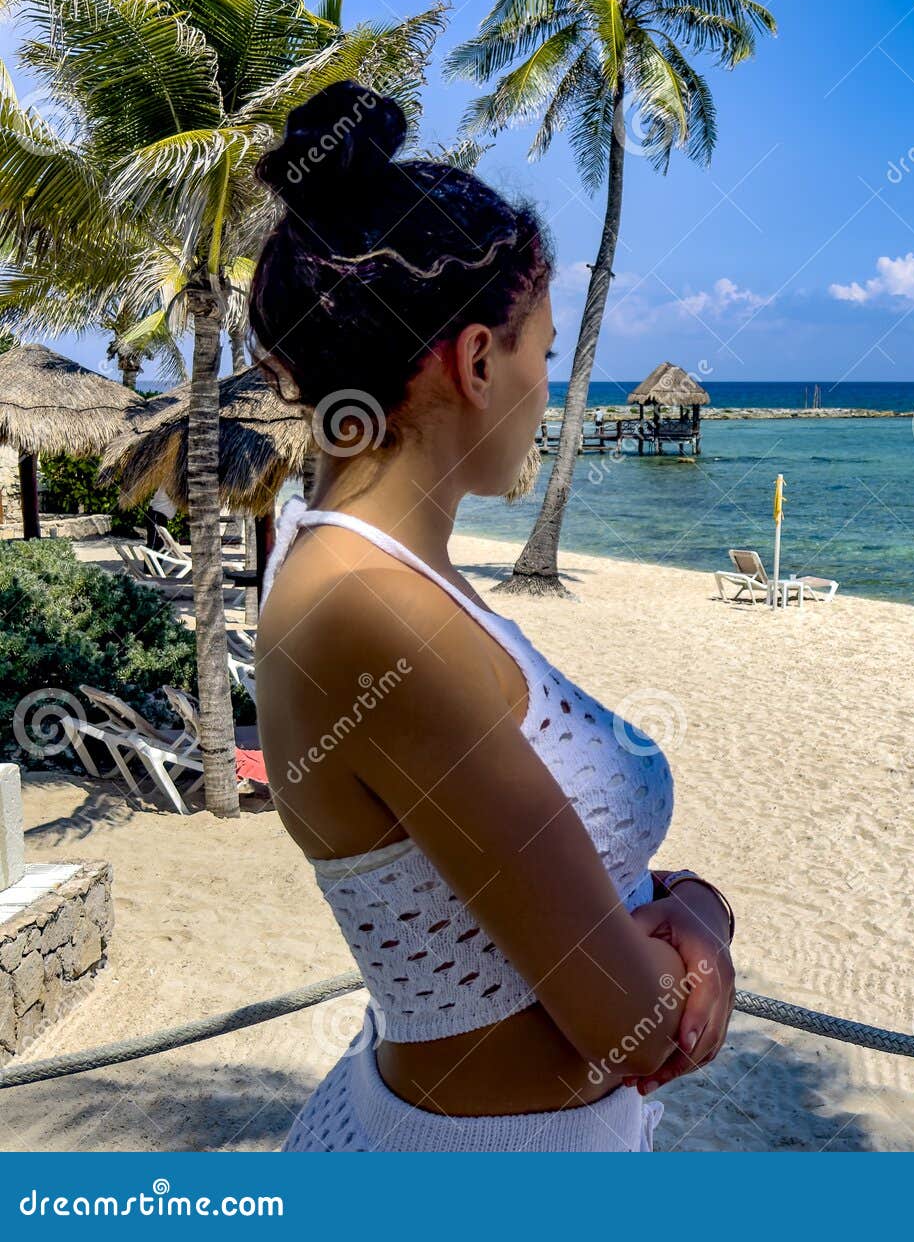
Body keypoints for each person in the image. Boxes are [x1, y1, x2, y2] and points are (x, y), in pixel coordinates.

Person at [251, 82, 735, 1152]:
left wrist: (672, 908)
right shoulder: (375, 618)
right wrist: (702, 916)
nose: (547, 393)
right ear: (475, 362)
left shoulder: (366, 574)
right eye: (543, 358)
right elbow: (638, 1030)